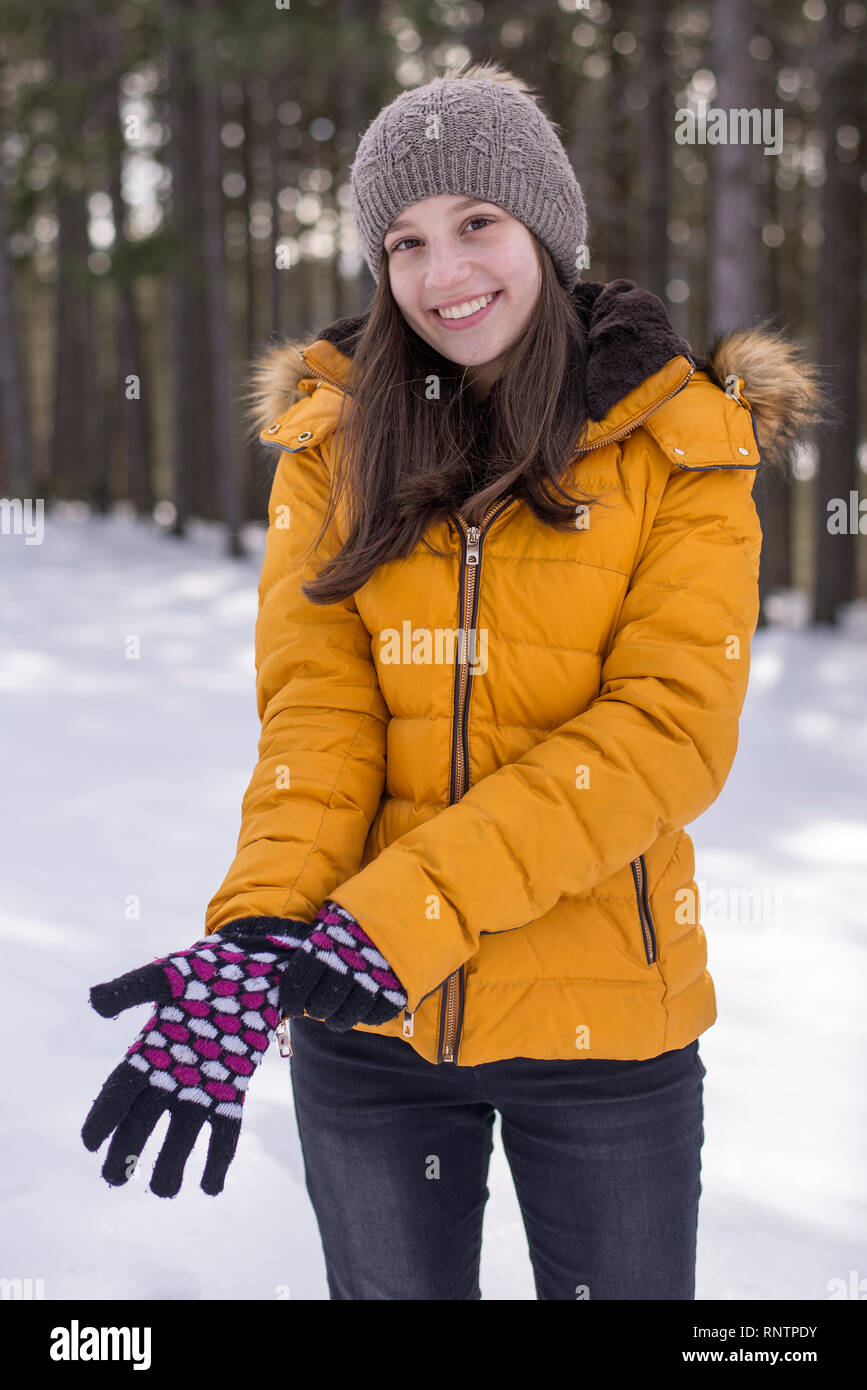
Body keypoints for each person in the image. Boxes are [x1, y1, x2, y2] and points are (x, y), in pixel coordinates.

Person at [82, 60, 822, 1300]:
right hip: (362, 1020)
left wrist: (399, 918)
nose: (444, 273)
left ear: (546, 228)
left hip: (604, 1026)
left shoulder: (681, 440)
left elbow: (667, 733)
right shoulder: (333, 443)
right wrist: (266, 921)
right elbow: (319, 718)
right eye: (406, 241)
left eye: (478, 223)